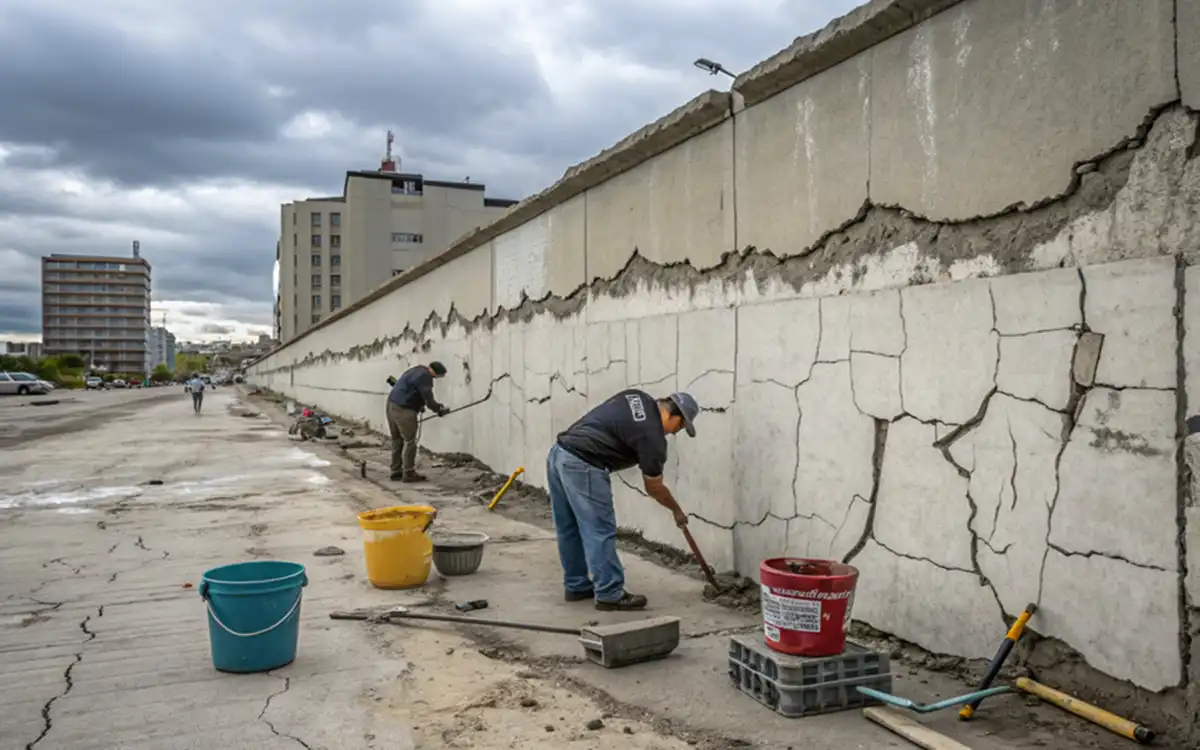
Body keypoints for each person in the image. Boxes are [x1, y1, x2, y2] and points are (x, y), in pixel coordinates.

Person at [548, 389, 700, 611]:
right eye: (679, 427)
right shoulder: (653, 438)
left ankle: (576, 585)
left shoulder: (636, 396)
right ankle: (610, 593)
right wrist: (676, 510)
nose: (674, 433)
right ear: (674, 417)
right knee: (599, 529)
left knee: (568, 527)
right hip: (584, 464)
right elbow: (654, 487)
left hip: (559, 454)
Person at [386, 361, 449, 482]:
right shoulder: (426, 377)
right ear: (436, 373)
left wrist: (418, 404)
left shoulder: (416, 370)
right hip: (403, 409)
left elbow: (411, 389)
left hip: (391, 404)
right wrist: (439, 409)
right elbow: (429, 400)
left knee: (397, 439)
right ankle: (408, 473)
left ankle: (395, 470)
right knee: (410, 441)